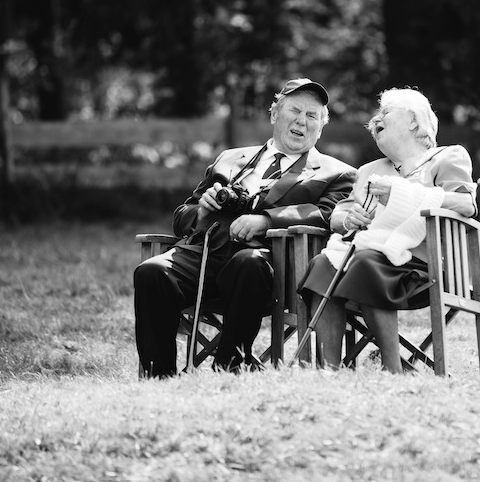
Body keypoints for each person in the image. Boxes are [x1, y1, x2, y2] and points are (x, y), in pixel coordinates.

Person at [135, 78, 356, 377]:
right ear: (274, 114)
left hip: (266, 263)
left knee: (249, 263)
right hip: (204, 253)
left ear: (321, 127)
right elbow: (181, 216)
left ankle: (229, 367)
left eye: (311, 116)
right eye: (294, 111)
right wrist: (202, 211)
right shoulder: (229, 158)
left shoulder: (337, 172)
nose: (302, 121)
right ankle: (157, 377)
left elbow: (326, 214)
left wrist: (267, 221)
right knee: (151, 272)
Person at [298, 87, 477, 373]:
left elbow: (466, 204)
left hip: (425, 266)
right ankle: (329, 371)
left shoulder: (447, 157)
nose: (375, 119)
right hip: (366, 259)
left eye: (386, 112)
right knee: (322, 263)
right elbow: (338, 214)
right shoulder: (369, 170)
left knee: (367, 261)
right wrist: (348, 218)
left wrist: (403, 194)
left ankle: (393, 370)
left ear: (414, 121)